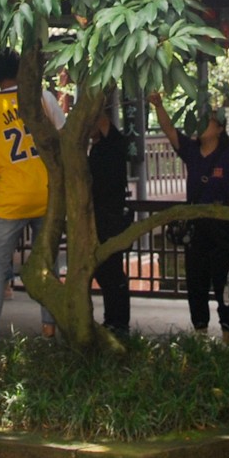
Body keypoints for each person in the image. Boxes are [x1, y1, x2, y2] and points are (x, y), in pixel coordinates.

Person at [149, 92, 229, 340]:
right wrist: (159, 106)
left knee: (223, 283)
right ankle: (200, 334)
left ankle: (227, 336)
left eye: (207, 123)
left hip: (221, 224)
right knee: (195, 281)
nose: (200, 128)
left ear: (219, 129)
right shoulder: (192, 151)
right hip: (195, 224)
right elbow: (169, 130)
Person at [0, 48, 68, 342]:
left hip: (11, 197)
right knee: (48, 262)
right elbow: (64, 136)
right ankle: (48, 328)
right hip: (46, 193)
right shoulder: (43, 98)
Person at [88, 99, 135, 335]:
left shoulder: (113, 142)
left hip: (112, 215)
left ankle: (120, 322)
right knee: (102, 270)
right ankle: (112, 319)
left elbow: (103, 121)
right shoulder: (95, 147)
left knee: (112, 269)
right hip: (97, 216)